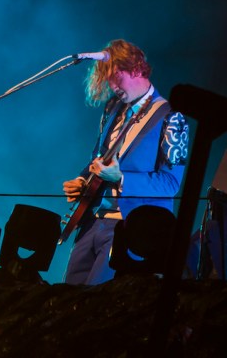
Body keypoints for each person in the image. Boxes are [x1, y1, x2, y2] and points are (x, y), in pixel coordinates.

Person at [63, 39, 189, 285]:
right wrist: (82, 180)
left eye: (116, 77)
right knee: (67, 296)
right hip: (93, 221)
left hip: (131, 228)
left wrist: (121, 178)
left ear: (137, 69)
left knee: (99, 300)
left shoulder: (172, 116)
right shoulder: (113, 108)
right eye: (108, 79)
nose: (112, 86)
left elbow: (170, 183)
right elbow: (98, 158)